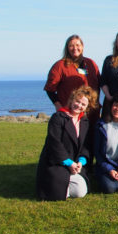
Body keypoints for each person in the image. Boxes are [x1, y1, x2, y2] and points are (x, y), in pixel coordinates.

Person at [44, 35, 101, 163]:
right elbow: (50, 89)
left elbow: (99, 84)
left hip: (91, 112)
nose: (75, 48)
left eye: (77, 45)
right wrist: (58, 105)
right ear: (67, 48)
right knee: (71, 141)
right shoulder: (60, 65)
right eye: (71, 45)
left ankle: (87, 167)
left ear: (82, 46)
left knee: (89, 139)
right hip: (71, 112)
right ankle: (68, 166)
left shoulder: (91, 64)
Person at [36, 85, 98, 201]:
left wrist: (81, 161)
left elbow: (85, 145)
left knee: (81, 191)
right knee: (58, 193)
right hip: (56, 162)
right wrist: (68, 162)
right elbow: (54, 143)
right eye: (77, 101)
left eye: (83, 104)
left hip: (75, 164)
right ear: (72, 99)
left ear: (87, 107)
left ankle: (65, 184)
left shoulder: (84, 121)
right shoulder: (58, 117)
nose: (79, 105)